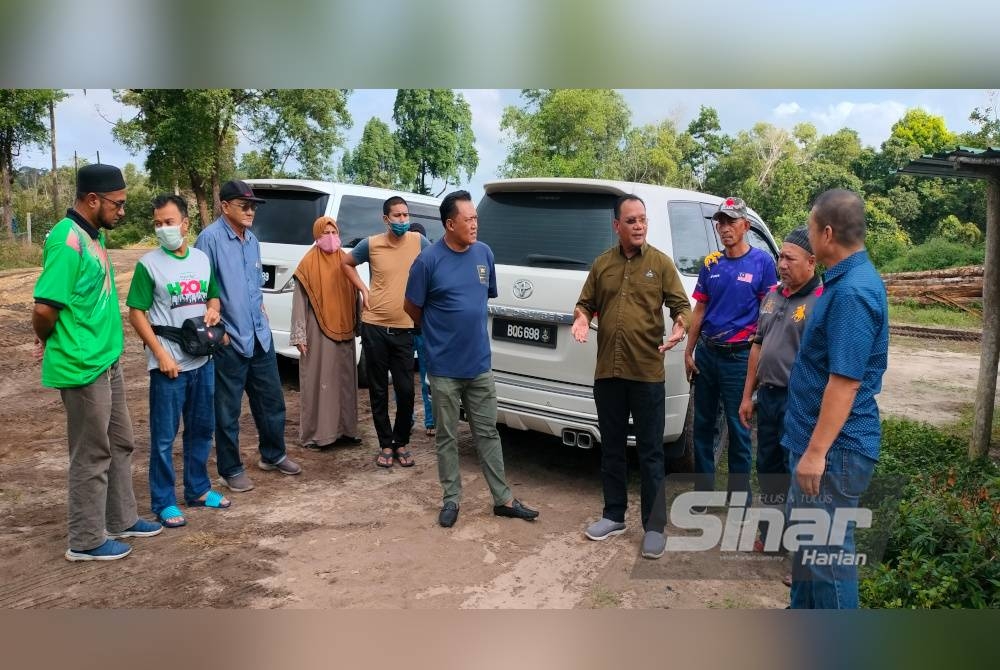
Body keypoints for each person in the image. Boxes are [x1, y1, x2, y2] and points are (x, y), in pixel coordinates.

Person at [32, 163, 162, 562]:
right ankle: (86, 540)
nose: (122, 211)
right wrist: (46, 339)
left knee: (120, 442)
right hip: (82, 366)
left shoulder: (91, 235)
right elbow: (44, 308)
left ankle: (121, 518)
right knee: (91, 453)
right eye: (117, 204)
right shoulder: (66, 241)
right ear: (93, 200)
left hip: (107, 360)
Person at [404, 190, 539, 528]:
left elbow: (483, 297)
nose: (475, 224)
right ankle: (451, 500)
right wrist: (437, 339)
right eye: (468, 219)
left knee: (488, 433)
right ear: (450, 224)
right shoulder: (428, 261)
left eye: (476, 218)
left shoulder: (484, 254)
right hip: (444, 368)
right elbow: (411, 308)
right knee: (448, 437)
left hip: (479, 365)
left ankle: (503, 499)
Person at [782, 189, 888, 609]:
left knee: (828, 561)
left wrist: (815, 453)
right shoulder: (841, 283)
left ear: (827, 233)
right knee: (809, 552)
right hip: (816, 445)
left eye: (810, 229)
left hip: (833, 452)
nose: (809, 237)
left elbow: (844, 383)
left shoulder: (852, 294)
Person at [572, 194, 691, 559]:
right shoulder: (602, 265)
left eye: (643, 220)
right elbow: (585, 303)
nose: (639, 226)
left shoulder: (660, 263)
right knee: (611, 448)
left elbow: (681, 305)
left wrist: (680, 327)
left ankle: (654, 527)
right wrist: (580, 318)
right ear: (617, 226)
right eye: (632, 221)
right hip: (608, 372)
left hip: (646, 374)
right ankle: (613, 515)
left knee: (652, 452)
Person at [126, 194, 232, 528]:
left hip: (203, 360)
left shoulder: (201, 259)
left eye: (169, 222)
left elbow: (212, 294)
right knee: (163, 438)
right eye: (157, 223)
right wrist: (159, 355)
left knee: (202, 429)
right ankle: (163, 501)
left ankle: (198, 489)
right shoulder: (149, 264)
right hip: (169, 366)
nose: (163, 229)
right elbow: (136, 314)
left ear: (185, 224)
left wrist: (214, 308)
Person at [195, 180, 301, 493]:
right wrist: (219, 335)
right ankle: (230, 468)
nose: (251, 210)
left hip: (259, 337)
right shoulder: (209, 240)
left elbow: (253, 286)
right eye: (244, 205)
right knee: (227, 410)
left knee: (271, 401)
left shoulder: (252, 240)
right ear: (224, 206)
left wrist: (263, 316)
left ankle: (274, 454)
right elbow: (202, 291)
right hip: (229, 340)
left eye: (253, 205)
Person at [684, 197, 777, 502]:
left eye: (731, 222)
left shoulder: (762, 263)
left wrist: (760, 355)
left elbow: (769, 311)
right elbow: (700, 310)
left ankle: (740, 498)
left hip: (739, 358)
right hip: (708, 355)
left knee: (739, 429)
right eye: (720, 222)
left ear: (746, 226)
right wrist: (689, 350)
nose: (724, 228)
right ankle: (703, 494)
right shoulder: (712, 264)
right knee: (703, 426)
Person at [342, 196, 429, 468]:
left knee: (405, 391)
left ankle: (401, 442)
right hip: (374, 326)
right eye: (397, 216)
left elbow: (436, 263)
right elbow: (345, 263)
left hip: (405, 329)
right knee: (378, 390)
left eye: (405, 215)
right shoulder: (371, 244)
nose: (402, 220)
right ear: (385, 219)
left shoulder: (418, 242)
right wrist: (363, 290)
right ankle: (385, 445)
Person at [738, 227, 821, 505]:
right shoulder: (772, 295)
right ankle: (769, 528)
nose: (782, 265)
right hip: (768, 397)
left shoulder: (821, 301)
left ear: (812, 262)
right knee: (767, 465)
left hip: (798, 400)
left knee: (794, 466)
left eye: (791, 259)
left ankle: (794, 534)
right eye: (781, 257)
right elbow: (758, 345)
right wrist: (748, 396)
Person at [289, 216, 362, 450]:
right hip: (317, 331)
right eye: (325, 233)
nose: (331, 238)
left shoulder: (345, 259)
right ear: (317, 236)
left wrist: (358, 324)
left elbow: (356, 292)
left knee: (345, 381)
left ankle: (346, 430)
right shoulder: (308, 263)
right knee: (321, 381)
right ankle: (319, 434)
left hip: (345, 329)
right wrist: (300, 335)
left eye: (334, 232)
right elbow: (299, 301)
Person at [407, 220, 435, 438]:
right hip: (405, 329)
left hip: (423, 331)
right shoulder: (404, 265)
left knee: (427, 380)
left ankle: (430, 421)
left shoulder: (429, 264)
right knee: (404, 380)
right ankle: (407, 420)